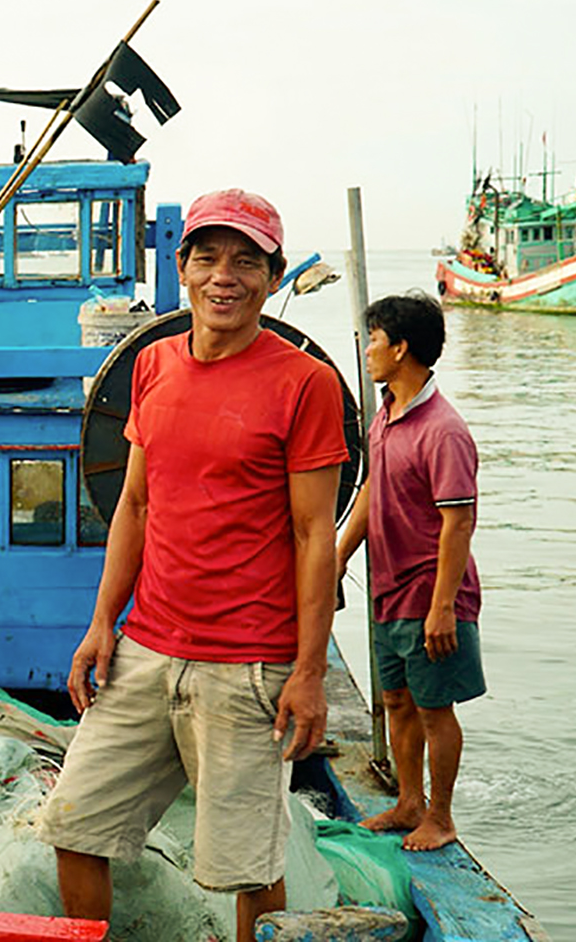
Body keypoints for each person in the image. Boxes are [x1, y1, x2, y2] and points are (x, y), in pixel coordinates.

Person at [38, 189, 348, 942]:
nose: (224, 276)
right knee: (73, 823)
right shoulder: (153, 364)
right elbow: (135, 508)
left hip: (248, 666)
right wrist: (100, 624)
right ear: (182, 268)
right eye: (207, 257)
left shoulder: (304, 383)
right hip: (146, 648)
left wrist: (309, 673)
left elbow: (316, 536)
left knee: (248, 865)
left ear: (272, 279)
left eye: (246, 260)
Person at [337, 290, 483, 852]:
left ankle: (441, 816)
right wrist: (340, 553)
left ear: (401, 349)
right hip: (388, 589)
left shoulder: (443, 430)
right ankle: (408, 802)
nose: (368, 349)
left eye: (374, 339)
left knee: (433, 707)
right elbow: (372, 489)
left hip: (431, 592)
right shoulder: (386, 415)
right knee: (396, 700)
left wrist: (444, 606)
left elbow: (458, 523)